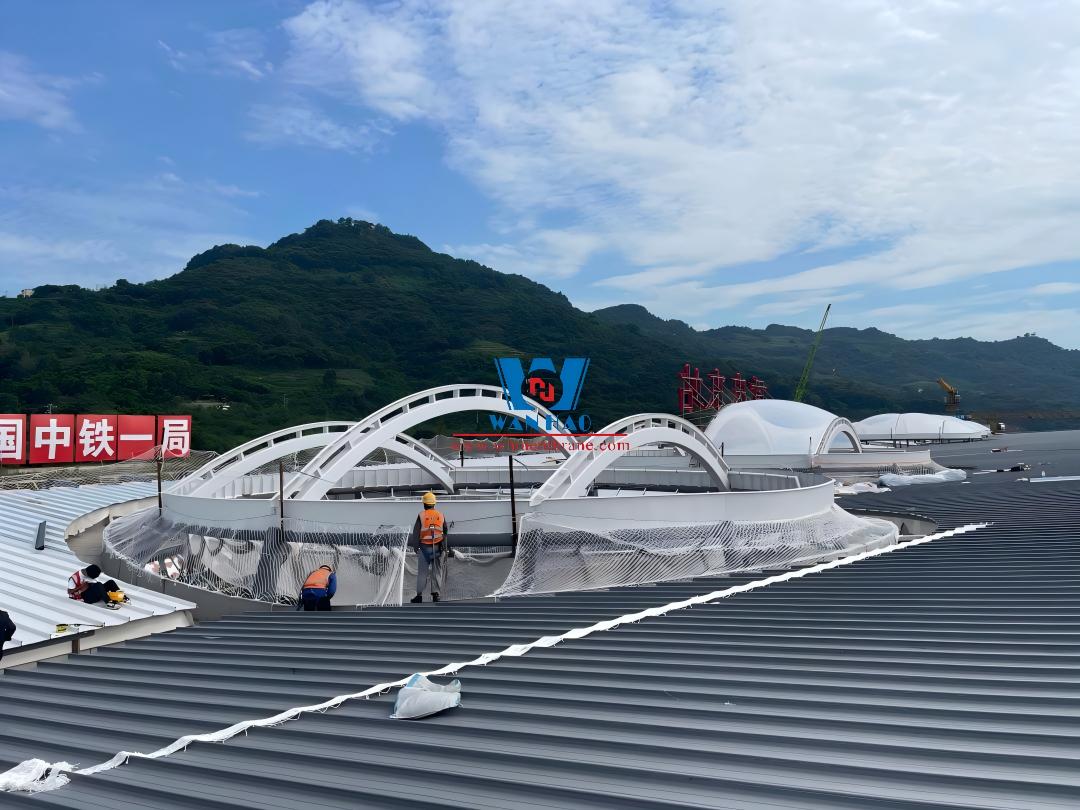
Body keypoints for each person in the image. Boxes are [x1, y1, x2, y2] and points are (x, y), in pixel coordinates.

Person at [410, 491, 452, 603]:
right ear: (434, 503)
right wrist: (445, 548)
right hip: (437, 547)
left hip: (424, 549)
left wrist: (415, 547)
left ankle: (419, 596)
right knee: (437, 571)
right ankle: (436, 595)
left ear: (424, 504)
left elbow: (416, 532)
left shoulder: (421, 515)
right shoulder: (440, 515)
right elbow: (445, 532)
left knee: (422, 573)